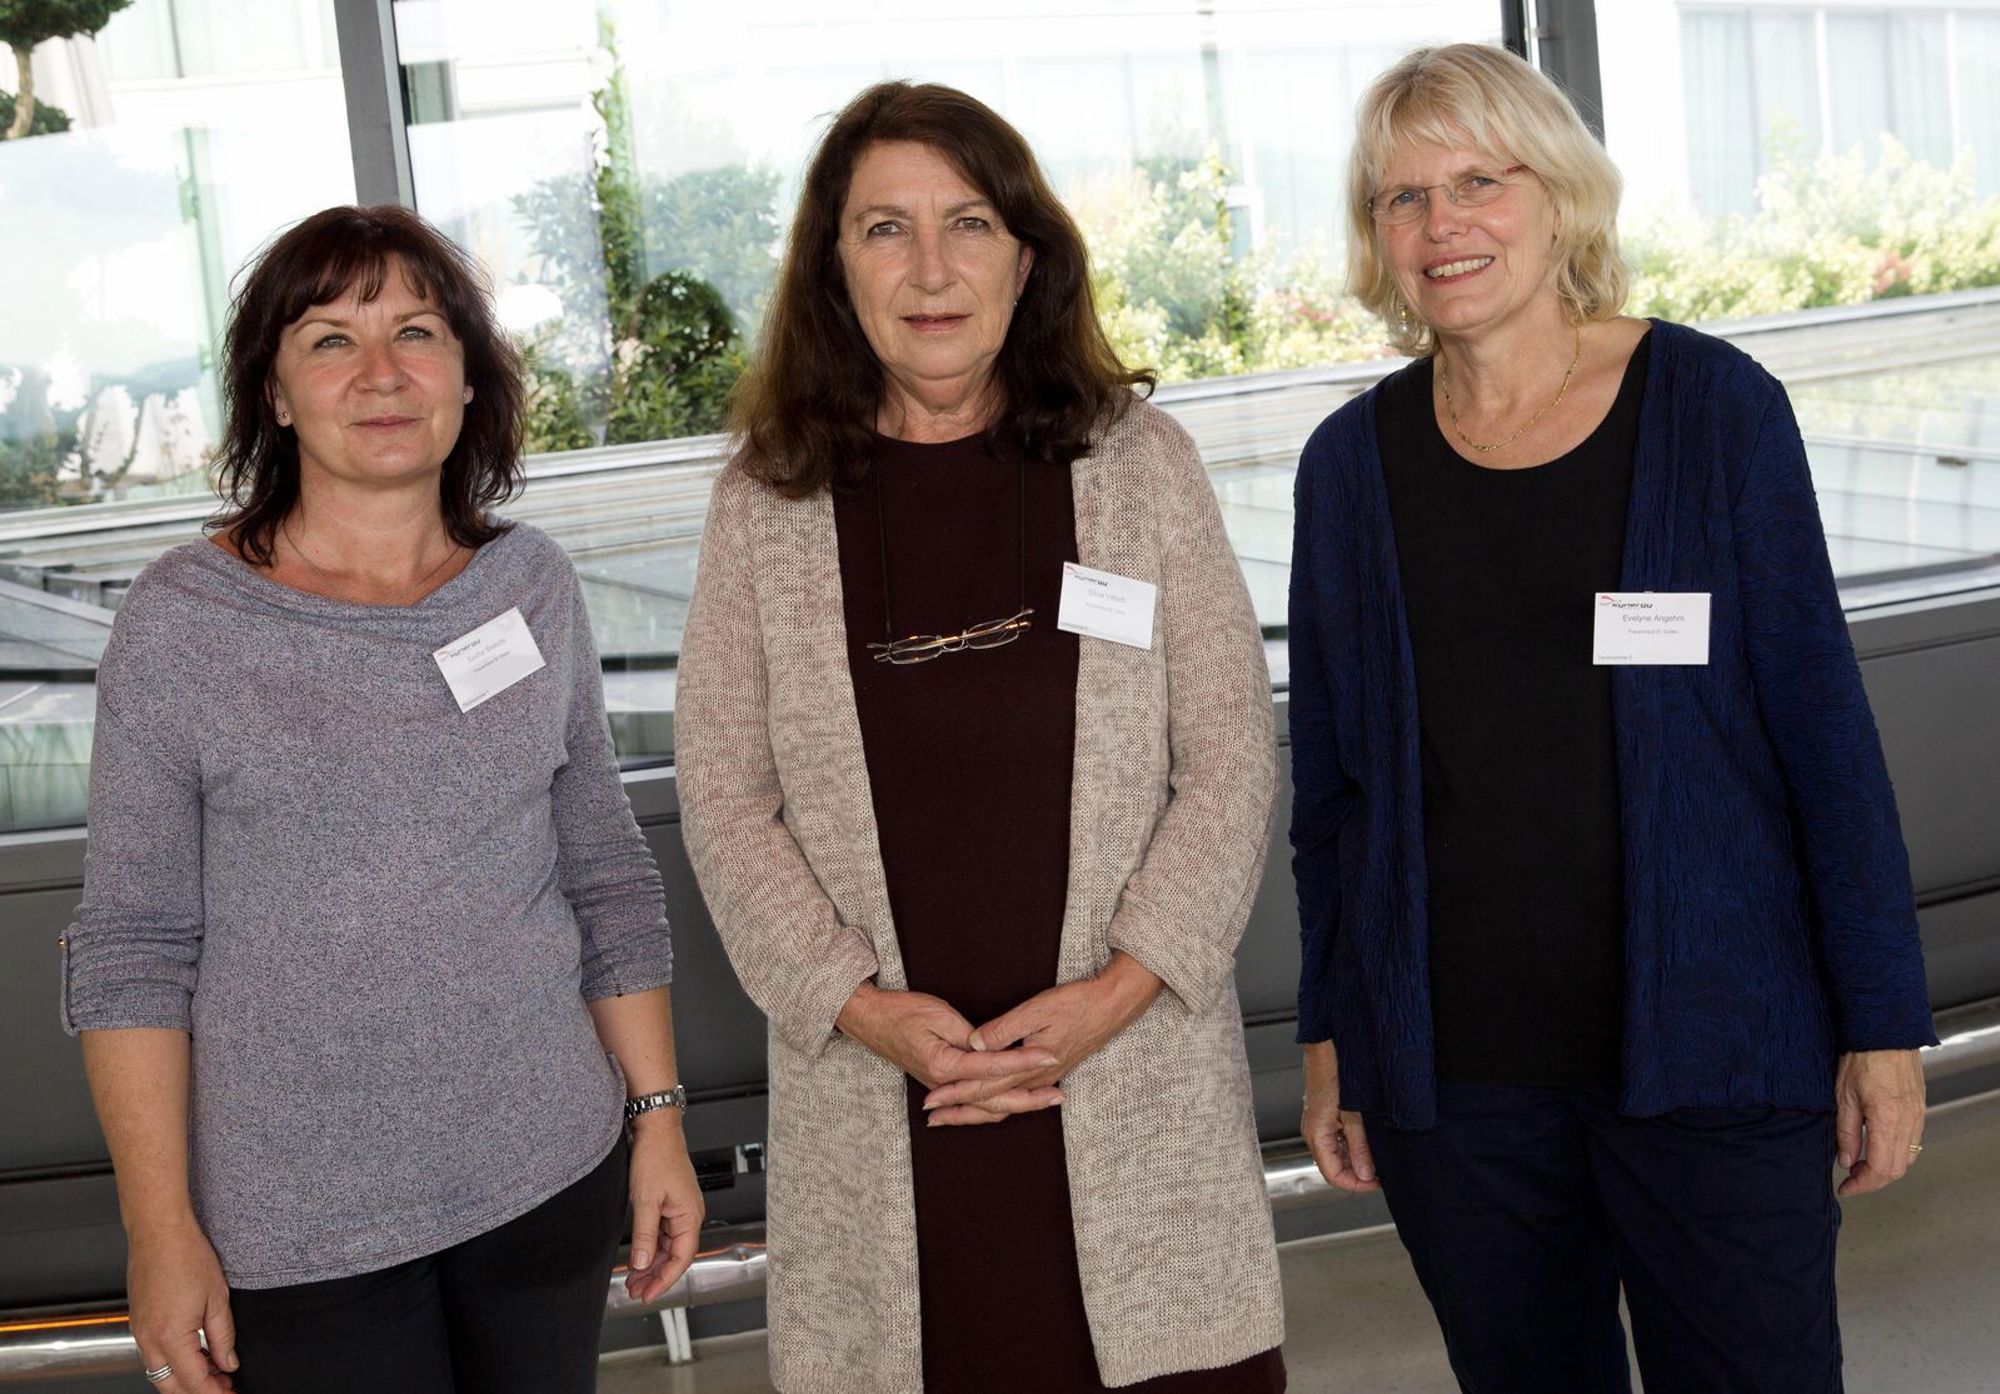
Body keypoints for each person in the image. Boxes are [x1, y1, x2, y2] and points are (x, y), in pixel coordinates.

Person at [1288, 43, 1936, 1394]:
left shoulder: (1714, 411)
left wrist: (1881, 1023)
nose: (1442, 224)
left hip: (1716, 1048)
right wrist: (1334, 1032)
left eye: (1479, 181)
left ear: (1561, 196)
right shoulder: (1349, 466)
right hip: (1458, 1086)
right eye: (1403, 198)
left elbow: (1824, 736)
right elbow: (1336, 792)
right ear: (1375, 235)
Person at [675, 81, 1285, 1394]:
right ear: (834, 269)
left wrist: (1113, 996)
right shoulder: (763, 505)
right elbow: (723, 797)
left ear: (1026, 254)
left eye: (967, 222)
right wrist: (860, 1008)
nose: (932, 267)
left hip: (1132, 1096)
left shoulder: (1140, 466)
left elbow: (1230, 757)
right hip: (883, 1108)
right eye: (884, 228)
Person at [61, 204, 703, 1394]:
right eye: (330, 340)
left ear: (467, 375)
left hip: (546, 1168)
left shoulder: (530, 585)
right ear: (274, 393)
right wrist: (158, 1227)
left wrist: (658, 1115)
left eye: (415, 332)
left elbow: (603, 869)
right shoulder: (181, 624)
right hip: (299, 1225)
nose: (381, 373)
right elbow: (131, 948)